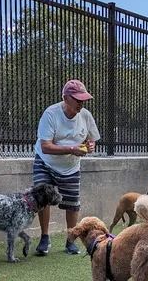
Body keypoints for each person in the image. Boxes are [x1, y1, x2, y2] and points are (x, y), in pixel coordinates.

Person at [32, 79, 101, 255]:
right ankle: (45, 237)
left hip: (70, 166)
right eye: (78, 100)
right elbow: (46, 146)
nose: (81, 103)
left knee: (72, 204)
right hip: (46, 161)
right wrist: (71, 148)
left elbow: (91, 140)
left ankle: (70, 239)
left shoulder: (85, 115)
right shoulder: (51, 114)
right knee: (42, 197)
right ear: (66, 98)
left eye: (83, 100)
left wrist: (90, 146)